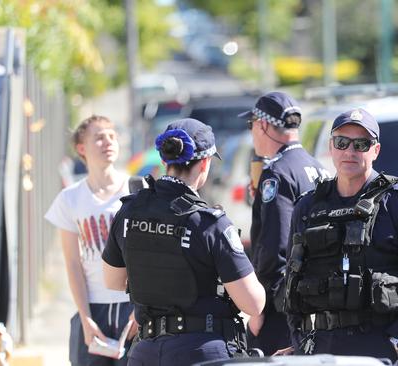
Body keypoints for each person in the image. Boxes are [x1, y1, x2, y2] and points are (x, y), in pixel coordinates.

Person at [282, 108, 398, 365]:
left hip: (374, 348)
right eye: (342, 142)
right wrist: (298, 340)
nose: (350, 151)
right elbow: (292, 279)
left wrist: (396, 343)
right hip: (317, 349)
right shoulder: (308, 207)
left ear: (375, 150)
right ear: (331, 147)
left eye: (361, 144)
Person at [101, 118, 265, 365]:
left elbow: (113, 281)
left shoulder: (129, 211)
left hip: (145, 352)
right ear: (205, 163)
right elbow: (253, 304)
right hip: (200, 352)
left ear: (165, 160)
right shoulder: (209, 223)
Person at [238, 91, 330, 355]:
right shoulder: (318, 168)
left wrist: (260, 310)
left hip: (284, 308)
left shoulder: (277, 173)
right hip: (318, 299)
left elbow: (274, 248)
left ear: (263, 125)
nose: (252, 132)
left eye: (252, 124)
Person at [45, 115, 138, 365]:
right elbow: (73, 263)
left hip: (133, 307)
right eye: (99, 137)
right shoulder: (70, 199)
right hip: (93, 308)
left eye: (111, 135)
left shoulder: (137, 190)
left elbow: (153, 259)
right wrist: (85, 319)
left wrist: (142, 311)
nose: (107, 141)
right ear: (81, 149)